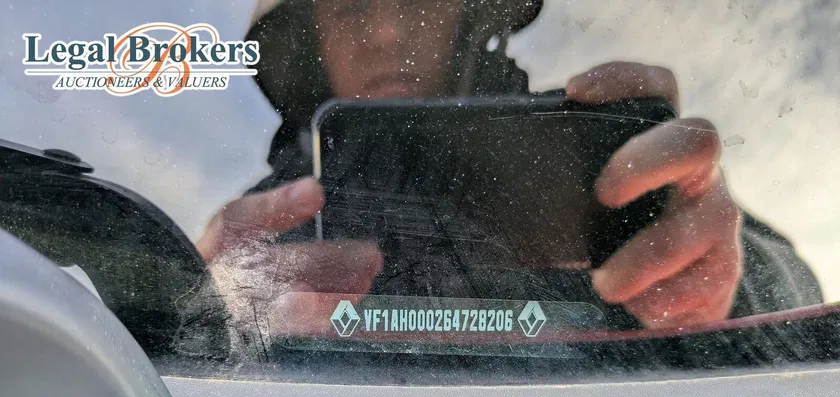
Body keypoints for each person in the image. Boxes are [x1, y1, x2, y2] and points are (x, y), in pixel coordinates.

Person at [196, 0, 822, 342]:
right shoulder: (260, 232)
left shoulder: (585, 158)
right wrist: (199, 304)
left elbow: (804, 305)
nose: (385, 32)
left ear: (468, 17)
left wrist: (727, 283)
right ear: (309, 41)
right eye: (351, 8)